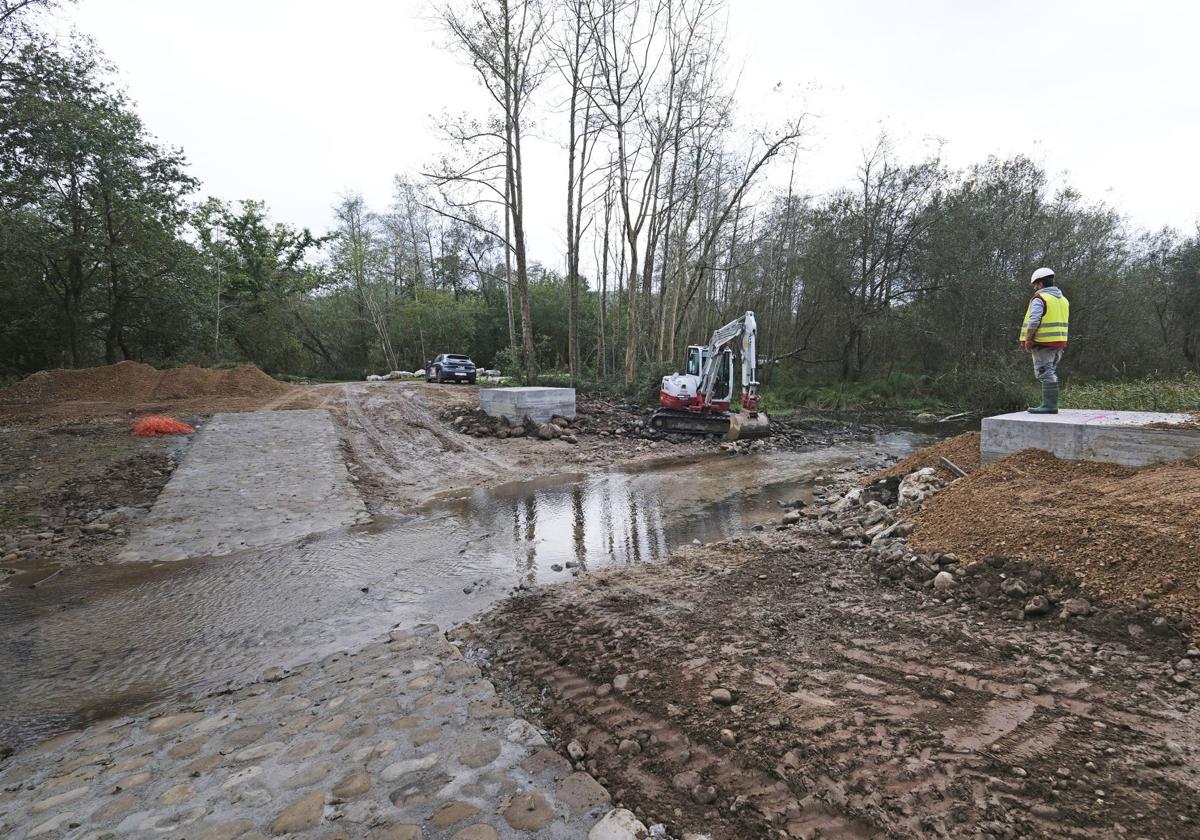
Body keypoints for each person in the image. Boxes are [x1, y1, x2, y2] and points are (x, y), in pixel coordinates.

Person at [1019, 267, 1070, 414]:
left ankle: (1049, 406)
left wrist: (1028, 339)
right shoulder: (1063, 300)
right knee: (1050, 371)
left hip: (1043, 343)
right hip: (1058, 342)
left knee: (1045, 373)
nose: (1035, 288)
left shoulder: (1040, 298)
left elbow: (1034, 321)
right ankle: (1049, 405)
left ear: (1040, 284)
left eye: (1035, 285)